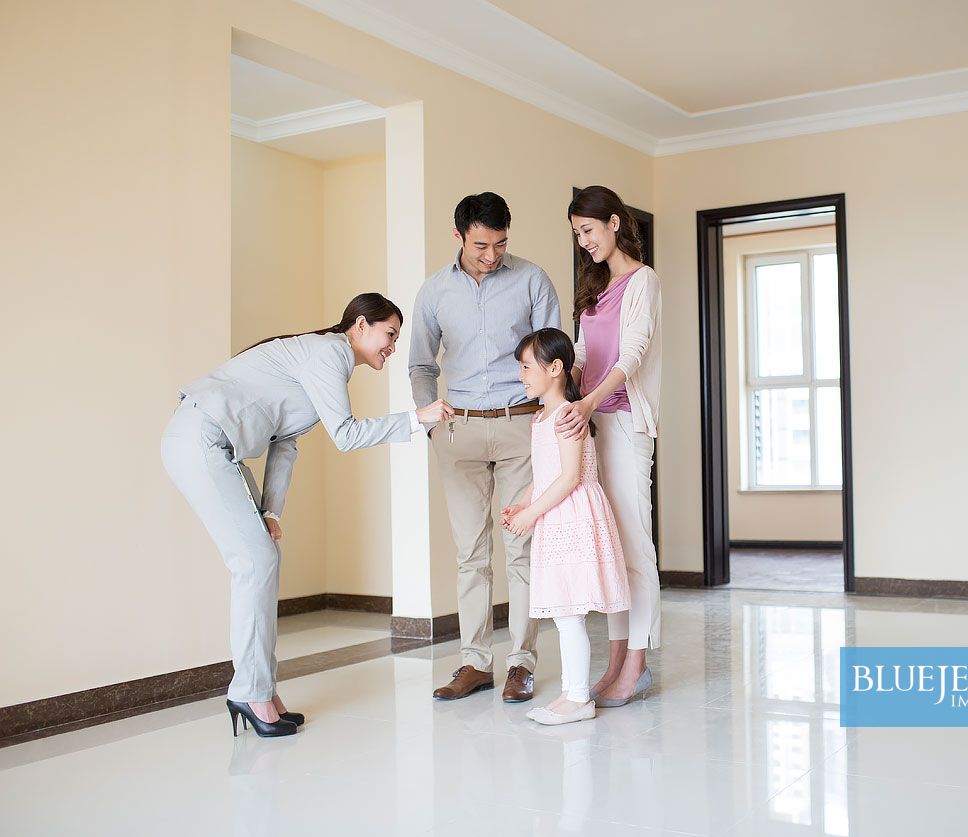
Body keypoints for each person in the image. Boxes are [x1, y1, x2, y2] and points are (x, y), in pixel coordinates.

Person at [162, 293, 453, 737]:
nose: (392, 346)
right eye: (389, 334)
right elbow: (346, 435)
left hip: (215, 444)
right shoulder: (329, 353)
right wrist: (418, 419)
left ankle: (262, 689)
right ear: (359, 325)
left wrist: (271, 511)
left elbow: (285, 443)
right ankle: (250, 691)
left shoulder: (322, 361)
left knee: (262, 559)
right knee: (254, 562)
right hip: (201, 437)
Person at [410, 192, 561, 702]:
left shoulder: (532, 279)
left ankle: (521, 663)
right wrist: (432, 422)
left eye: (499, 244)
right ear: (459, 237)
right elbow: (420, 364)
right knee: (470, 554)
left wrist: (552, 412)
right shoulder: (433, 292)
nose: (491, 256)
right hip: (461, 431)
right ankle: (474, 662)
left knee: (523, 549)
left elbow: (556, 353)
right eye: (480, 245)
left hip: (521, 425)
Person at [557, 185, 663, 707]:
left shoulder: (643, 281)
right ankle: (617, 659)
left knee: (636, 548)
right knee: (613, 548)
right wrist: (563, 380)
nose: (584, 242)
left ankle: (637, 663)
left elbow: (633, 352)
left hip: (624, 423)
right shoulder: (594, 286)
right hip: (594, 423)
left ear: (615, 223)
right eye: (577, 234)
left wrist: (590, 400)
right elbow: (584, 349)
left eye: (589, 231)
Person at [501, 328, 630, 725]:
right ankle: (571, 693)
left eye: (526, 367)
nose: (521, 375)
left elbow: (570, 476)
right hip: (555, 515)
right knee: (563, 612)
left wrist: (530, 514)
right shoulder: (541, 417)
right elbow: (545, 475)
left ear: (556, 368)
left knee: (571, 612)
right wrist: (522, 502)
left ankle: (578, 698)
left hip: (572, 516)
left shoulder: (566, 416)